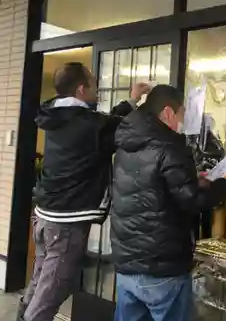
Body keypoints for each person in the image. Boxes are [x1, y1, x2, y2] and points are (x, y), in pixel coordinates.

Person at [18, 62, 150, 321]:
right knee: (53, 290)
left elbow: (104, 124)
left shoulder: (58, 116)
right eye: (93, 82)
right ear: (81, 89)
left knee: (41, 281)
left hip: (45, 215)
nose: (97, 87)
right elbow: (119, 129)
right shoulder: (91, 125)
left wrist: (131, 101)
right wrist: (148, 110)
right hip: (65, 222)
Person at [110, 84, 226, 321]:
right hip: (162, 265)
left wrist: (193, 181)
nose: (183, 121)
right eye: (182, 114)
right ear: (169, 113)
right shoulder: (170, 145)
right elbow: (192, 201)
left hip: (127, 260)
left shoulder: (126, 142)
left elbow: (152, 186)